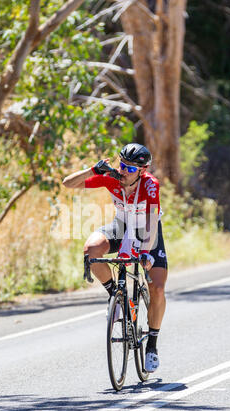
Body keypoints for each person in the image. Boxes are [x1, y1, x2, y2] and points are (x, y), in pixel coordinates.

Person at [63, 143, 168, 373]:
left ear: (142, 170)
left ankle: (152, 344)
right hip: (121, 227)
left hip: (146, 231)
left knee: (157, 288)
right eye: (121, 165)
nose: (123, 171)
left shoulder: (150, 186)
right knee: (91, 250)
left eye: (130, 168)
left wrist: (145, 253)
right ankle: (117, 297)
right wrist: (92, 171)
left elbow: (151, 223)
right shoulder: (112, 178)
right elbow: (68, 183)